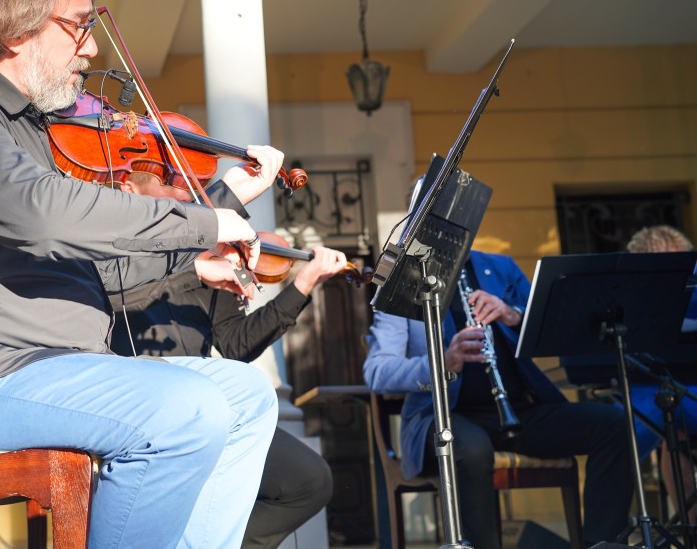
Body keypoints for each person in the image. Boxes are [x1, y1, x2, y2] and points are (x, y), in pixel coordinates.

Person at [0, 0, 285, 548]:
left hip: (50, 372)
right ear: (16, 28)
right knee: (185, 409)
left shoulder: (41, 134)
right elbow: (43, 215)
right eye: (77, 25)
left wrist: (200, 243)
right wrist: (204, 222)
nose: (91, 46)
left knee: (246, 393)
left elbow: (91, 275)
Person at [108, 171, 348, 549]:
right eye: (166, 181)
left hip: (208, 408)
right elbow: (117, 294)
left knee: (309, 480)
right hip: (144, 406)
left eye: (181, 183)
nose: (181, 191)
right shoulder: (116, 245)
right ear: (129, 188)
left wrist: (304, 283)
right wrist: (193, 269)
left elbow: (237, 344)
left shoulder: (214, 260)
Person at [363, 248, 633, 548]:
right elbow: (377, 372)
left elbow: (553, 330)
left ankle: (603, 544)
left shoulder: (500, 267)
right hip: (443, 417)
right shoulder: (401, 280)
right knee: (472, 449)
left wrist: (512, 315)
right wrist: (443, 361)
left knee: (613, 424)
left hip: (518, 412)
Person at [626, 225, 697, 523]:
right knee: (668, 428)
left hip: (688, 384)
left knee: (674, 426)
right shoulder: (631, 294)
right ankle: (691, 529)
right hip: (649, 385)